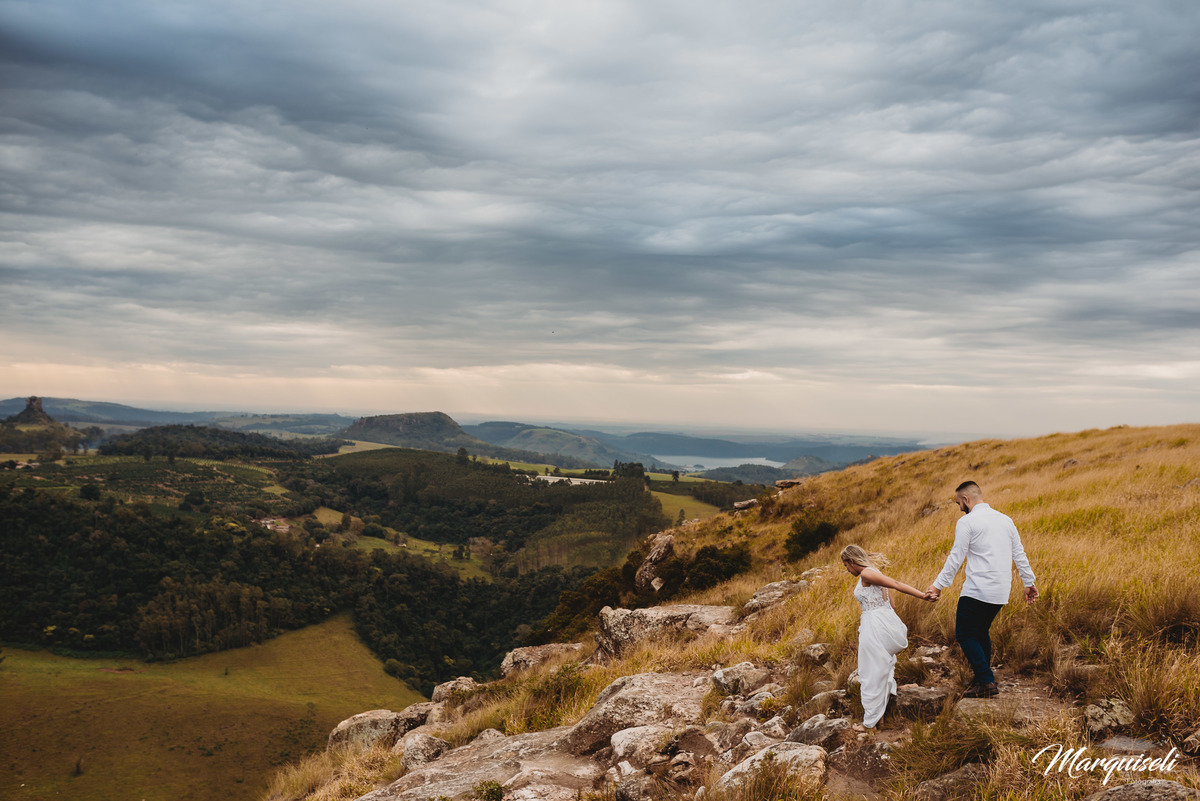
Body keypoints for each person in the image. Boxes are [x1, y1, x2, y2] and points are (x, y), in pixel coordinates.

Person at [925, 481, 1038, 698]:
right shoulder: (1006, 520)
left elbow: (956, 557)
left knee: (965, 634)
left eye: (959, 503)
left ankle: (986, 681)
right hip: (1000, 592)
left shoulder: (968, 522)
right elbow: (1019, 554)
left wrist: (938, 585)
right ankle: (981, 676)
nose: (959, 508)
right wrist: (1028, 582)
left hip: (977, 590)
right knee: (980, 632)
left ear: (966, 500)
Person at [840, 544, 933, 729]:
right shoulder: (874, 573)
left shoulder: (867, 574)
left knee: (870, 673)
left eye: (846, 566)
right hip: (881, 623)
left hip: (873, 626)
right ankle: (879, 720)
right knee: (880, 670)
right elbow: (892, 604)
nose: (847, 570)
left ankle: (871, 721)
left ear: (851, 561)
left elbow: (897, 585)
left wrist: (922, 596)